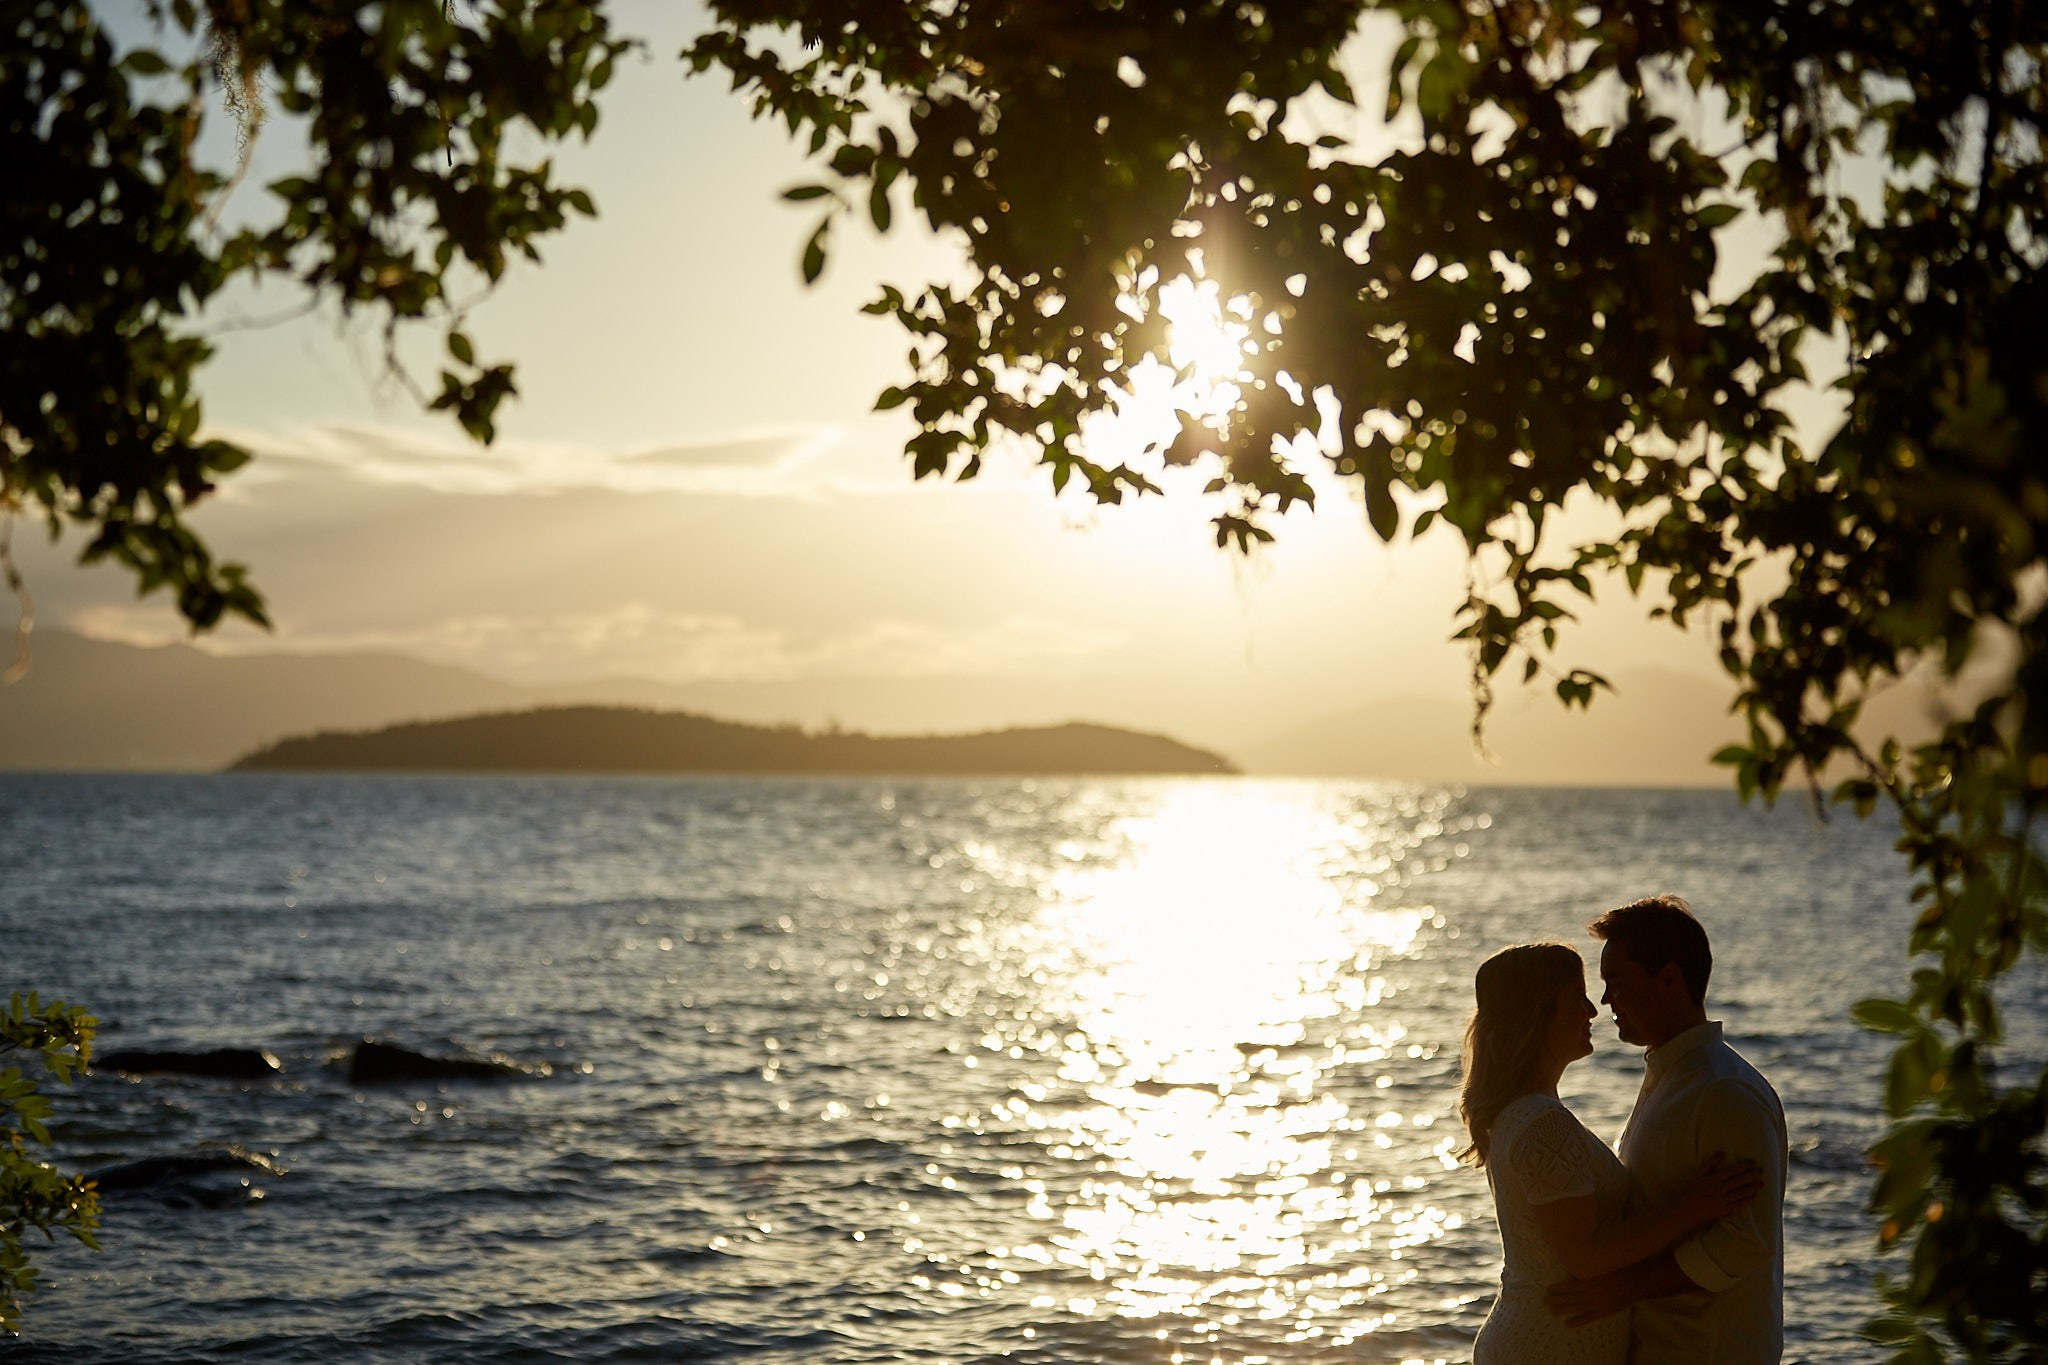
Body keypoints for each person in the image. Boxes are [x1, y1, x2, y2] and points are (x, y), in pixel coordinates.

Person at [1461, 941, 1763, 1364]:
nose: (1592, 1011)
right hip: (1549, 1347)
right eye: (1577, 998)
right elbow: (1587, 1256)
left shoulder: (1523, 1112)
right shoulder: (1543, 1124)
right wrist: (1694, 1207)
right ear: (1540, 1015)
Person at [1548, 894, 1790, 1364]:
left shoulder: (1724, 1092)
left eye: (1617, 983)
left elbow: (1745, 1241)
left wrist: (1623, 1288)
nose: (1605, 1001)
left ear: (1669, 979)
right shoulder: (1673, 1077)